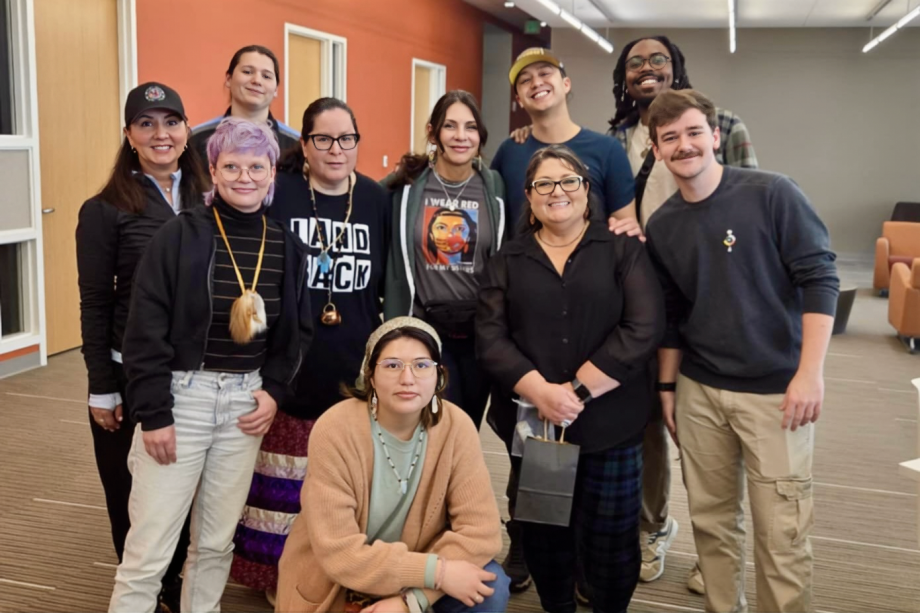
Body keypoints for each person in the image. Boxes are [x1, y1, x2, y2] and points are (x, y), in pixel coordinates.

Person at [108, 118, 313, 613]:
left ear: (271, 175)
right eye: (232, 166)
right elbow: (144, 333)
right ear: (213, 171)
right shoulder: (179, 236)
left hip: (246, 404)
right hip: (182, 401)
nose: (245, 176)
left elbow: (297, 332)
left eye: (256, 167)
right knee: (149, 550)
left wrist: (275, 392)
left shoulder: (286, 245)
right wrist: (154, 414)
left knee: (216, 544)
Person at [645, 89, 838, 613]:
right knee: (712, 525)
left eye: (691, 133)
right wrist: (667, 388)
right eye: (669, 138)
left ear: (713, 136)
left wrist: (810, 374)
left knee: (782, 535)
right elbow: (672, 316)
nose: (683, 145)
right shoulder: (662, 225)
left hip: (777, 393)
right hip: (700, 392)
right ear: (657, 150)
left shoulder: (772, 193)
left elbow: (821, 279)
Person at [477, 145, 664, 613]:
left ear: (587, 190)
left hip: (612, 428)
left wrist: (574, 392)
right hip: (540, 430)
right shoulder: (507, 260)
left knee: (613, 543)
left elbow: (643, 327)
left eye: (568, 181)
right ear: (529, 196)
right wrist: (542, 392)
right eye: (544, 184)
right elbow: (490, 338)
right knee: (546, 536)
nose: (556, 191)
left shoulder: (623, 249)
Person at [608, 35, 760, 592]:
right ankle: (653, 528)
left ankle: (717, 553)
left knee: (709, 439)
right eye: (635, 64)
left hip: (712, 302)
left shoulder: (724, 124)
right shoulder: (616, 139)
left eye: (658, 61)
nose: (646, 69)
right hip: (644, 304)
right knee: (650, 424)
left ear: (677, 70)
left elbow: (743, 209)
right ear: (623, 78)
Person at [230, 97, 391, 604]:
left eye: (347, 138)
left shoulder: (373, 199)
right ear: (304, 144)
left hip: (354, 364)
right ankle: (281, 583)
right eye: (323, 138)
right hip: (290, 363)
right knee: (282, 489)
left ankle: (340, 576)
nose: (336, 149)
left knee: (345, 484)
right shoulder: (281, 195)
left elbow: (385, 279)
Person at [77, 82, 208, 613]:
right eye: (147, 123)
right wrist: (101, 388)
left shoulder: (210, 198)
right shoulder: (105, 209)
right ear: (129, 135)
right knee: (131, 498)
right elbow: (94, 304)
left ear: (186, 131)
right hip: (127, 374)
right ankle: (144, 592)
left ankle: (174, 587)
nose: (161, 133)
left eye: (171, 121)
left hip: (195, 377)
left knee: (185, 495)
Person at [276, 317, 509, 613]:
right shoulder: (335, 428)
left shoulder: (457, 427)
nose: (408, 378)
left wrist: (411, 602)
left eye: (422, 365)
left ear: (439, 376)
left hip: (414, 579)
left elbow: (482, 532)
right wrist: (438, 573)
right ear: (370, 376)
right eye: (393, 365)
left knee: (491, 585)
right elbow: (340, 554)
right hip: (341, 580)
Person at [382, 90, 505, 430]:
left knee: (466, 427)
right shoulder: (406, 187)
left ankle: (456, 485)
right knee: (436, 424)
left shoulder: (494, 187)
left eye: (470, 127)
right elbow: (360, 198)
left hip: (479, 331)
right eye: (450, 126)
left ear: (480, 136)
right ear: (433, 133)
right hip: (425, 328)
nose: (461, 136)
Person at [492, 48, 635, 231]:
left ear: (566, 84)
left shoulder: (607, 150)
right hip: (520, 258)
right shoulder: (509, 152)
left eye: (545, 73)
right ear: (519, 99)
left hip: (592, 259)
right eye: (525, 80)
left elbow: (625, 228)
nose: (536, 83)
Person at [189, 44, 300, 174]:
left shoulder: (296, 145)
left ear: (276, 89)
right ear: (229, 79)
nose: (257, 81)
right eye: (247, 72)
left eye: (266, 76)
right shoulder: (195, 140)